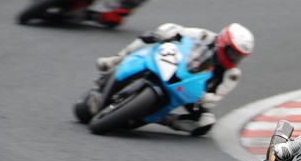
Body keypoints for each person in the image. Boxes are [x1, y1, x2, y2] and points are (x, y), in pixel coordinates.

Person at [95, 22, 255, 136]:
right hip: (178, 66)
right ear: (223, 42)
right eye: (233, 53)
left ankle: (165, 119)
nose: (234, 58)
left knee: (205, 122)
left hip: (193, 91)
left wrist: (207, 98)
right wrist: (164, 35)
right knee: (156, 34)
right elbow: (180, 31)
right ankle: (117, 58)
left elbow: (218, 96)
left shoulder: (232, 74)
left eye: (239, 56)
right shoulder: (205, 36)